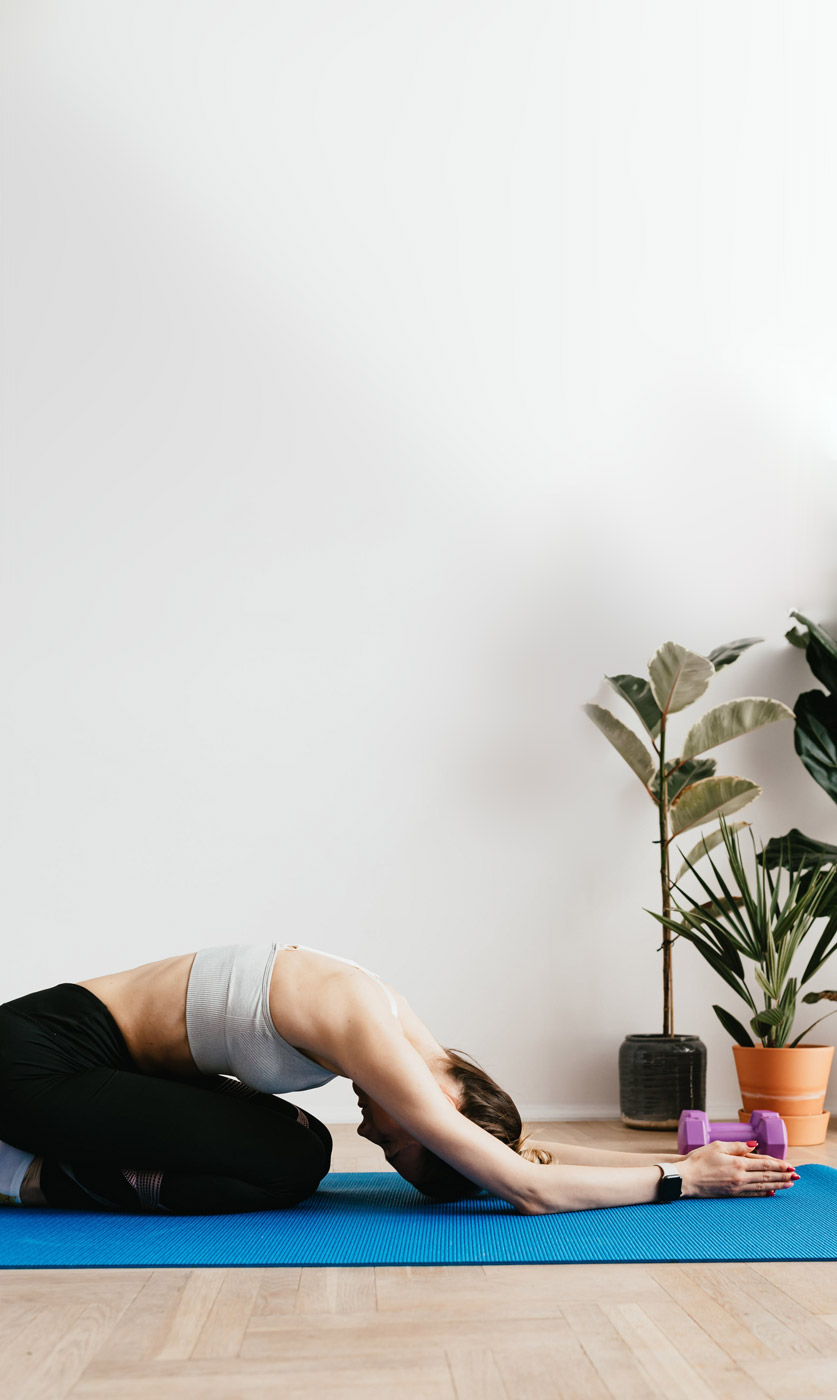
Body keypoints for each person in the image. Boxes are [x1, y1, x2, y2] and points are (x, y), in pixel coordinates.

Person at [0, 942, 797, 1214]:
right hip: (34, 1058)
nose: (377, 1130)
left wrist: (673, 1166)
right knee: (292, 1161)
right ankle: (17, 1172)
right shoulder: (367, 1026)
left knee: (295, 1143)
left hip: (77, 1064)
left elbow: (528, 1155)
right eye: (401, 1142)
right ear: (446, 1106)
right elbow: (527, 1187)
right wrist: (680, 1179)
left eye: (385, 1147)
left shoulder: (411, 1040)